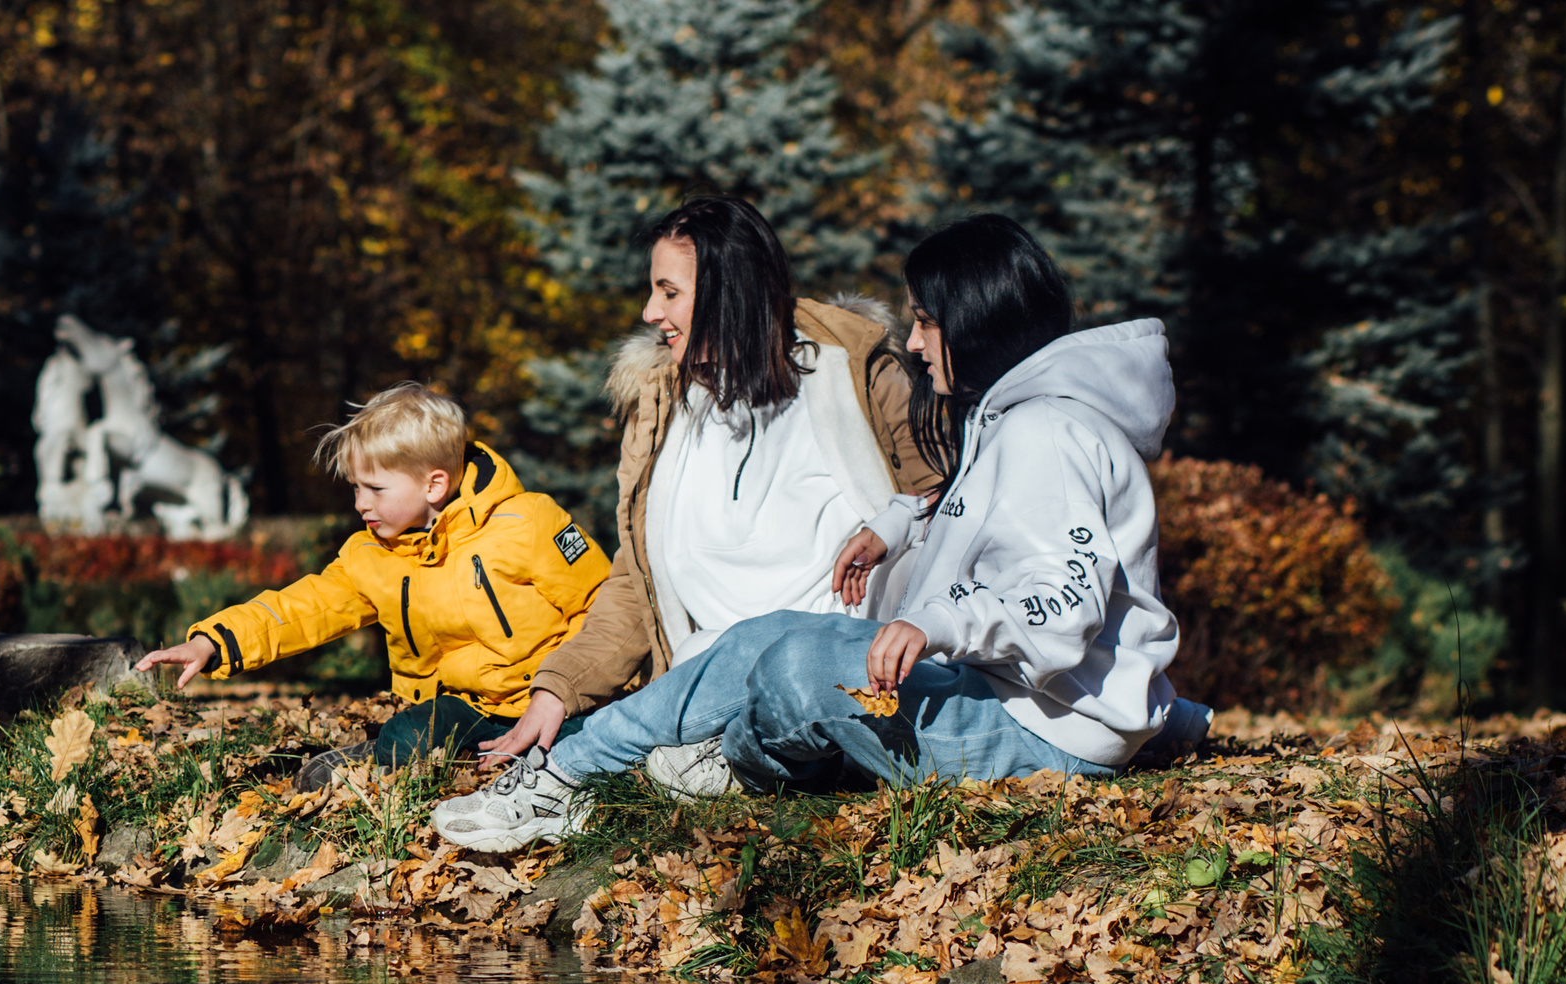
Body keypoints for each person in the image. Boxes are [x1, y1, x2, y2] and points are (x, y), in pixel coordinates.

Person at [436, 214, 1197, 853]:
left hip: (1039, 732)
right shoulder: (1017, 422)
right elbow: (969, 513)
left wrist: (931, 624)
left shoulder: (1044, 434)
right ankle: (581, 771)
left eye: (929, 321)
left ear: (979, 316)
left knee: (793, 666)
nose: (918, 341)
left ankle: (602, 771)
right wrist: (891, 524)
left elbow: (1063, 609)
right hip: (1019, 703)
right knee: (768, 656)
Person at [472, 196, 944, 793]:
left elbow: (944, 498)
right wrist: (557, 688)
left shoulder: (856, 374)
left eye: (669, 292)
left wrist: (893, 528)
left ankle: (575, 779)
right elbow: (635, 577)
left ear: (730, 292)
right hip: (696, 682)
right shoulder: (664, 403)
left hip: (842, 675)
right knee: (499, 730)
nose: (649, 312)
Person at [137, 383, 612, 788]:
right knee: (404, 738)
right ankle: (414, 763)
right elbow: (306, 607)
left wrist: (569, 688)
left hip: (551, 696)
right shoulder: (371, 554)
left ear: (434, 485)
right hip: (464, 706)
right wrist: (214, 641)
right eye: (354, 488)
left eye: (376, 489)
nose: (361, 504)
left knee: (581, 745)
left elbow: (602, 604)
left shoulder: (526, 522)